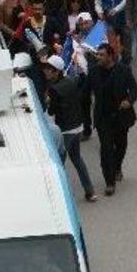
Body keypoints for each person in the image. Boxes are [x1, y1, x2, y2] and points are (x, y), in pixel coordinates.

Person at [42, 55, 97, 202]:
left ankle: (63, 198)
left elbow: (52, 111)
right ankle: (89, 191)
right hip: (77, 128)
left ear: (56, 72)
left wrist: (48, 101)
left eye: (49, 69)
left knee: (58, 165)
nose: (45, 71)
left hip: (64, 131)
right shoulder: (71, 81)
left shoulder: (54, 89)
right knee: (77, 160)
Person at [88, 43, 137, 195]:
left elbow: (134, 89)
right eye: (97, 54)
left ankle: (117, 167)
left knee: (121, 145)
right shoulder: (93, 72)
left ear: (110, 56)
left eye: (101, 54)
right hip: (103, 117)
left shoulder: (123, 70)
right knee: (106, 149)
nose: (98, 57)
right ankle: (109, 182)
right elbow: (84, 92)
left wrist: (129, 101)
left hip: (121, 116)